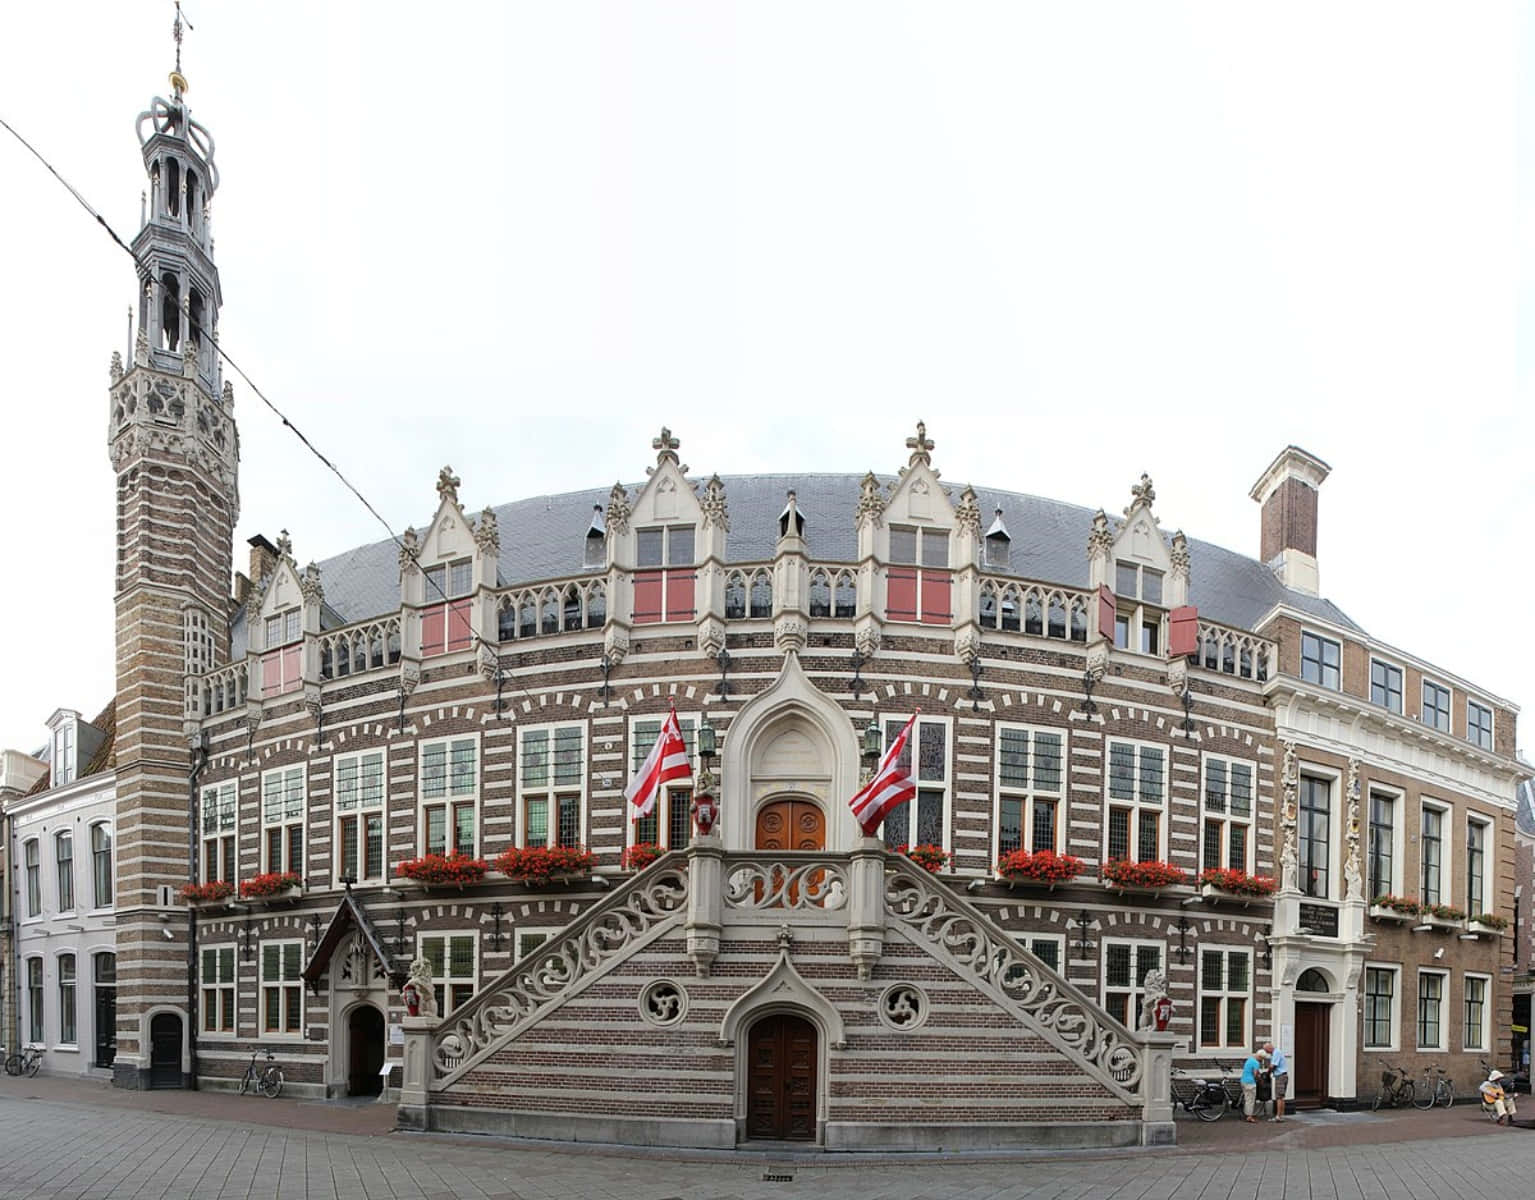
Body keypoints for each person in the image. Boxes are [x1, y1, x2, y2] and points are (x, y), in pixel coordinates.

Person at [1240, 1048, 1269, 1122]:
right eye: (1262, 1058)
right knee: (1250, 1100)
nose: (1262, 1060)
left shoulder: (1250, 1059)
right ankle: (1249, 1117)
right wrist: (1260, 1080)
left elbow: (1252, 1070)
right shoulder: (1256, 1063)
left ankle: (1246, 1114)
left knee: (1247, 1098)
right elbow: (1255, 1074)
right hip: (1250, 1082)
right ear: (1260, 1057)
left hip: (1243, 1080)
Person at [1263, 1041, 1288, 1121]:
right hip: (1283, 1075)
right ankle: (1281, 1115)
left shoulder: (1276, 1053)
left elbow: (1273, 1066)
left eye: (1266, 1050)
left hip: (1280, 1076)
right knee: (1281, 1097)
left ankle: (1278, 1116)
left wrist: (1267, 1073)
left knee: (1279, 1097)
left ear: (1270, 1048)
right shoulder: (1277, 1052)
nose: (1267, 1053)